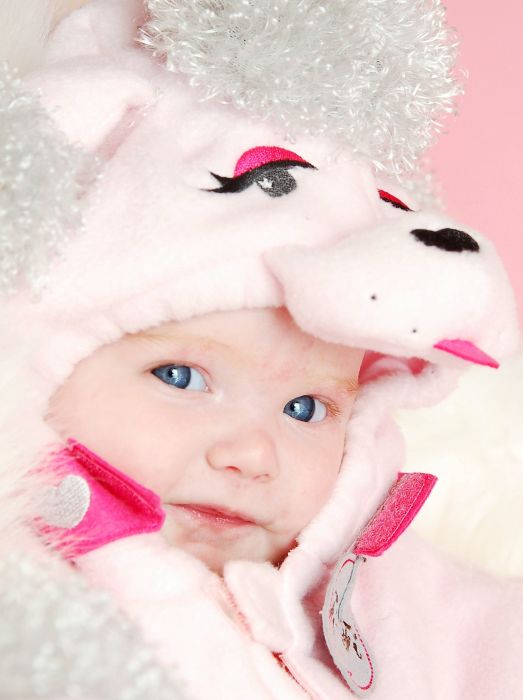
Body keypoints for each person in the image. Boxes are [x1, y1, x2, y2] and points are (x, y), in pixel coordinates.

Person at [0, 1, 522, 698]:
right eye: (181, 376)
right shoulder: (28, 594)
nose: (252, 455)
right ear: (38, 365)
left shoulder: (376, 591)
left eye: (305, 408)